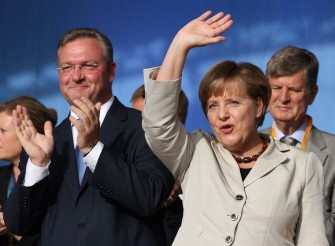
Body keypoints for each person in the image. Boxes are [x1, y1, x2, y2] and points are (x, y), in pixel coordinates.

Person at [142, 11, 328, 245]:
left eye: (233, 103)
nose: (222, 115)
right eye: (212, 105)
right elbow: (158, 123)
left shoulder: (301, 165)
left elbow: (313, 239)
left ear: (259, 106)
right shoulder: (195, 151)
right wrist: (179, 45)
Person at [4, 28, 174, 246]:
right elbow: (19, 224)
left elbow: (150, 198)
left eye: (88, 65)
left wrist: (94, 150)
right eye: (67, 67)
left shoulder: (146, 126)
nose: (76, 76)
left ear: (111, 71)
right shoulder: (46, 142)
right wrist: (38, 166)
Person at [260, 45, 335, 245]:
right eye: (275, 88)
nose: (283, 98)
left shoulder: (334, 151)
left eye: (294, 89)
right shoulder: (247, 145)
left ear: (312, 93)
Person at [130, 84, 188, 245]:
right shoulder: (121, 162)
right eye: (133, 118)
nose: (135, 128)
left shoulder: (198, 161)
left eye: (144, 121)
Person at [0, 95, 57, 246]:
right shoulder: (1, 177)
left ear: (29, 131)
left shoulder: (59, 177)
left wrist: (13, 226)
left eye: (2, 130)